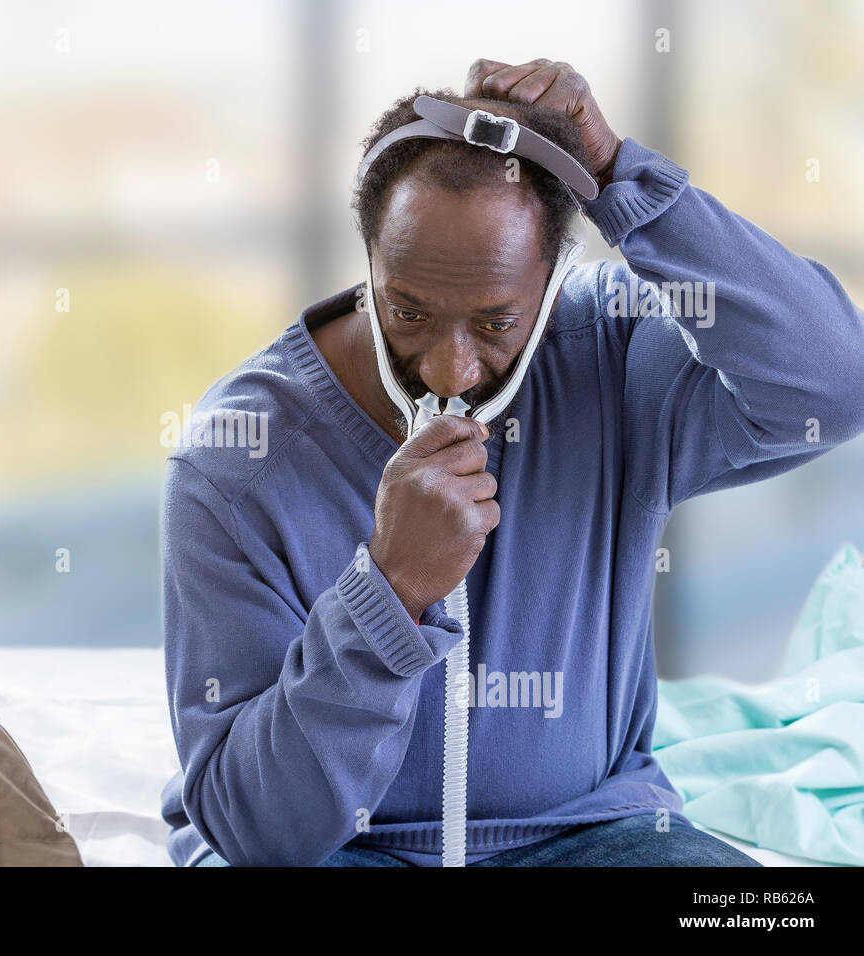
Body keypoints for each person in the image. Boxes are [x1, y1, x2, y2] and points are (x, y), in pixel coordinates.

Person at [160, 58, 864, 866]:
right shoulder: (234, 461)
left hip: (595, 834)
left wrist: (618, 180)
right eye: (409, 311)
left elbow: (836, 380)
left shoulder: (612, 349)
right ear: (370, 262)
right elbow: (256, 834)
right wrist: (388, 595)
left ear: (554, 279)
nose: (449, 372)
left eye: (496, 322)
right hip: (344, 854)